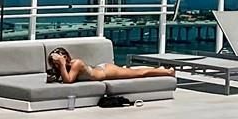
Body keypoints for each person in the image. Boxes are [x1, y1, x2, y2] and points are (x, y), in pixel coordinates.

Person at [46, 47, 175, 84]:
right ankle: (158, 69)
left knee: (139, 74)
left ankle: (168, 72)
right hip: (100, 69)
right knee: (132, 71)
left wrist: (61, 64)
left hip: (107, 71)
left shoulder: (76, 63)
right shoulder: (65, 68)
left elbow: (68, 81)